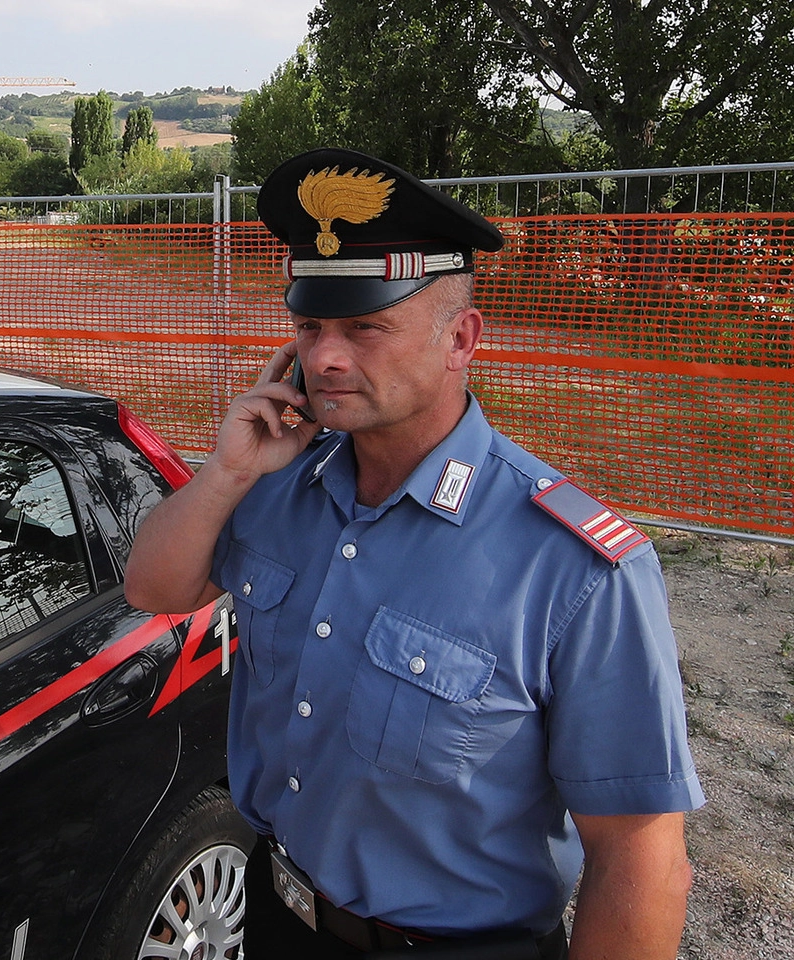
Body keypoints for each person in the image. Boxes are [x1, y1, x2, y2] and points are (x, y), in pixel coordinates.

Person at [124, 147, 703, 959]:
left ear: (460, 338)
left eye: (365, 326)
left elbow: (641, 861)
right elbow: (153, 587)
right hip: (278, 912)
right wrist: (225, 472)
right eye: (310, 325)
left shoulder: (573, 567)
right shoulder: (279, 483)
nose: (326, 356)